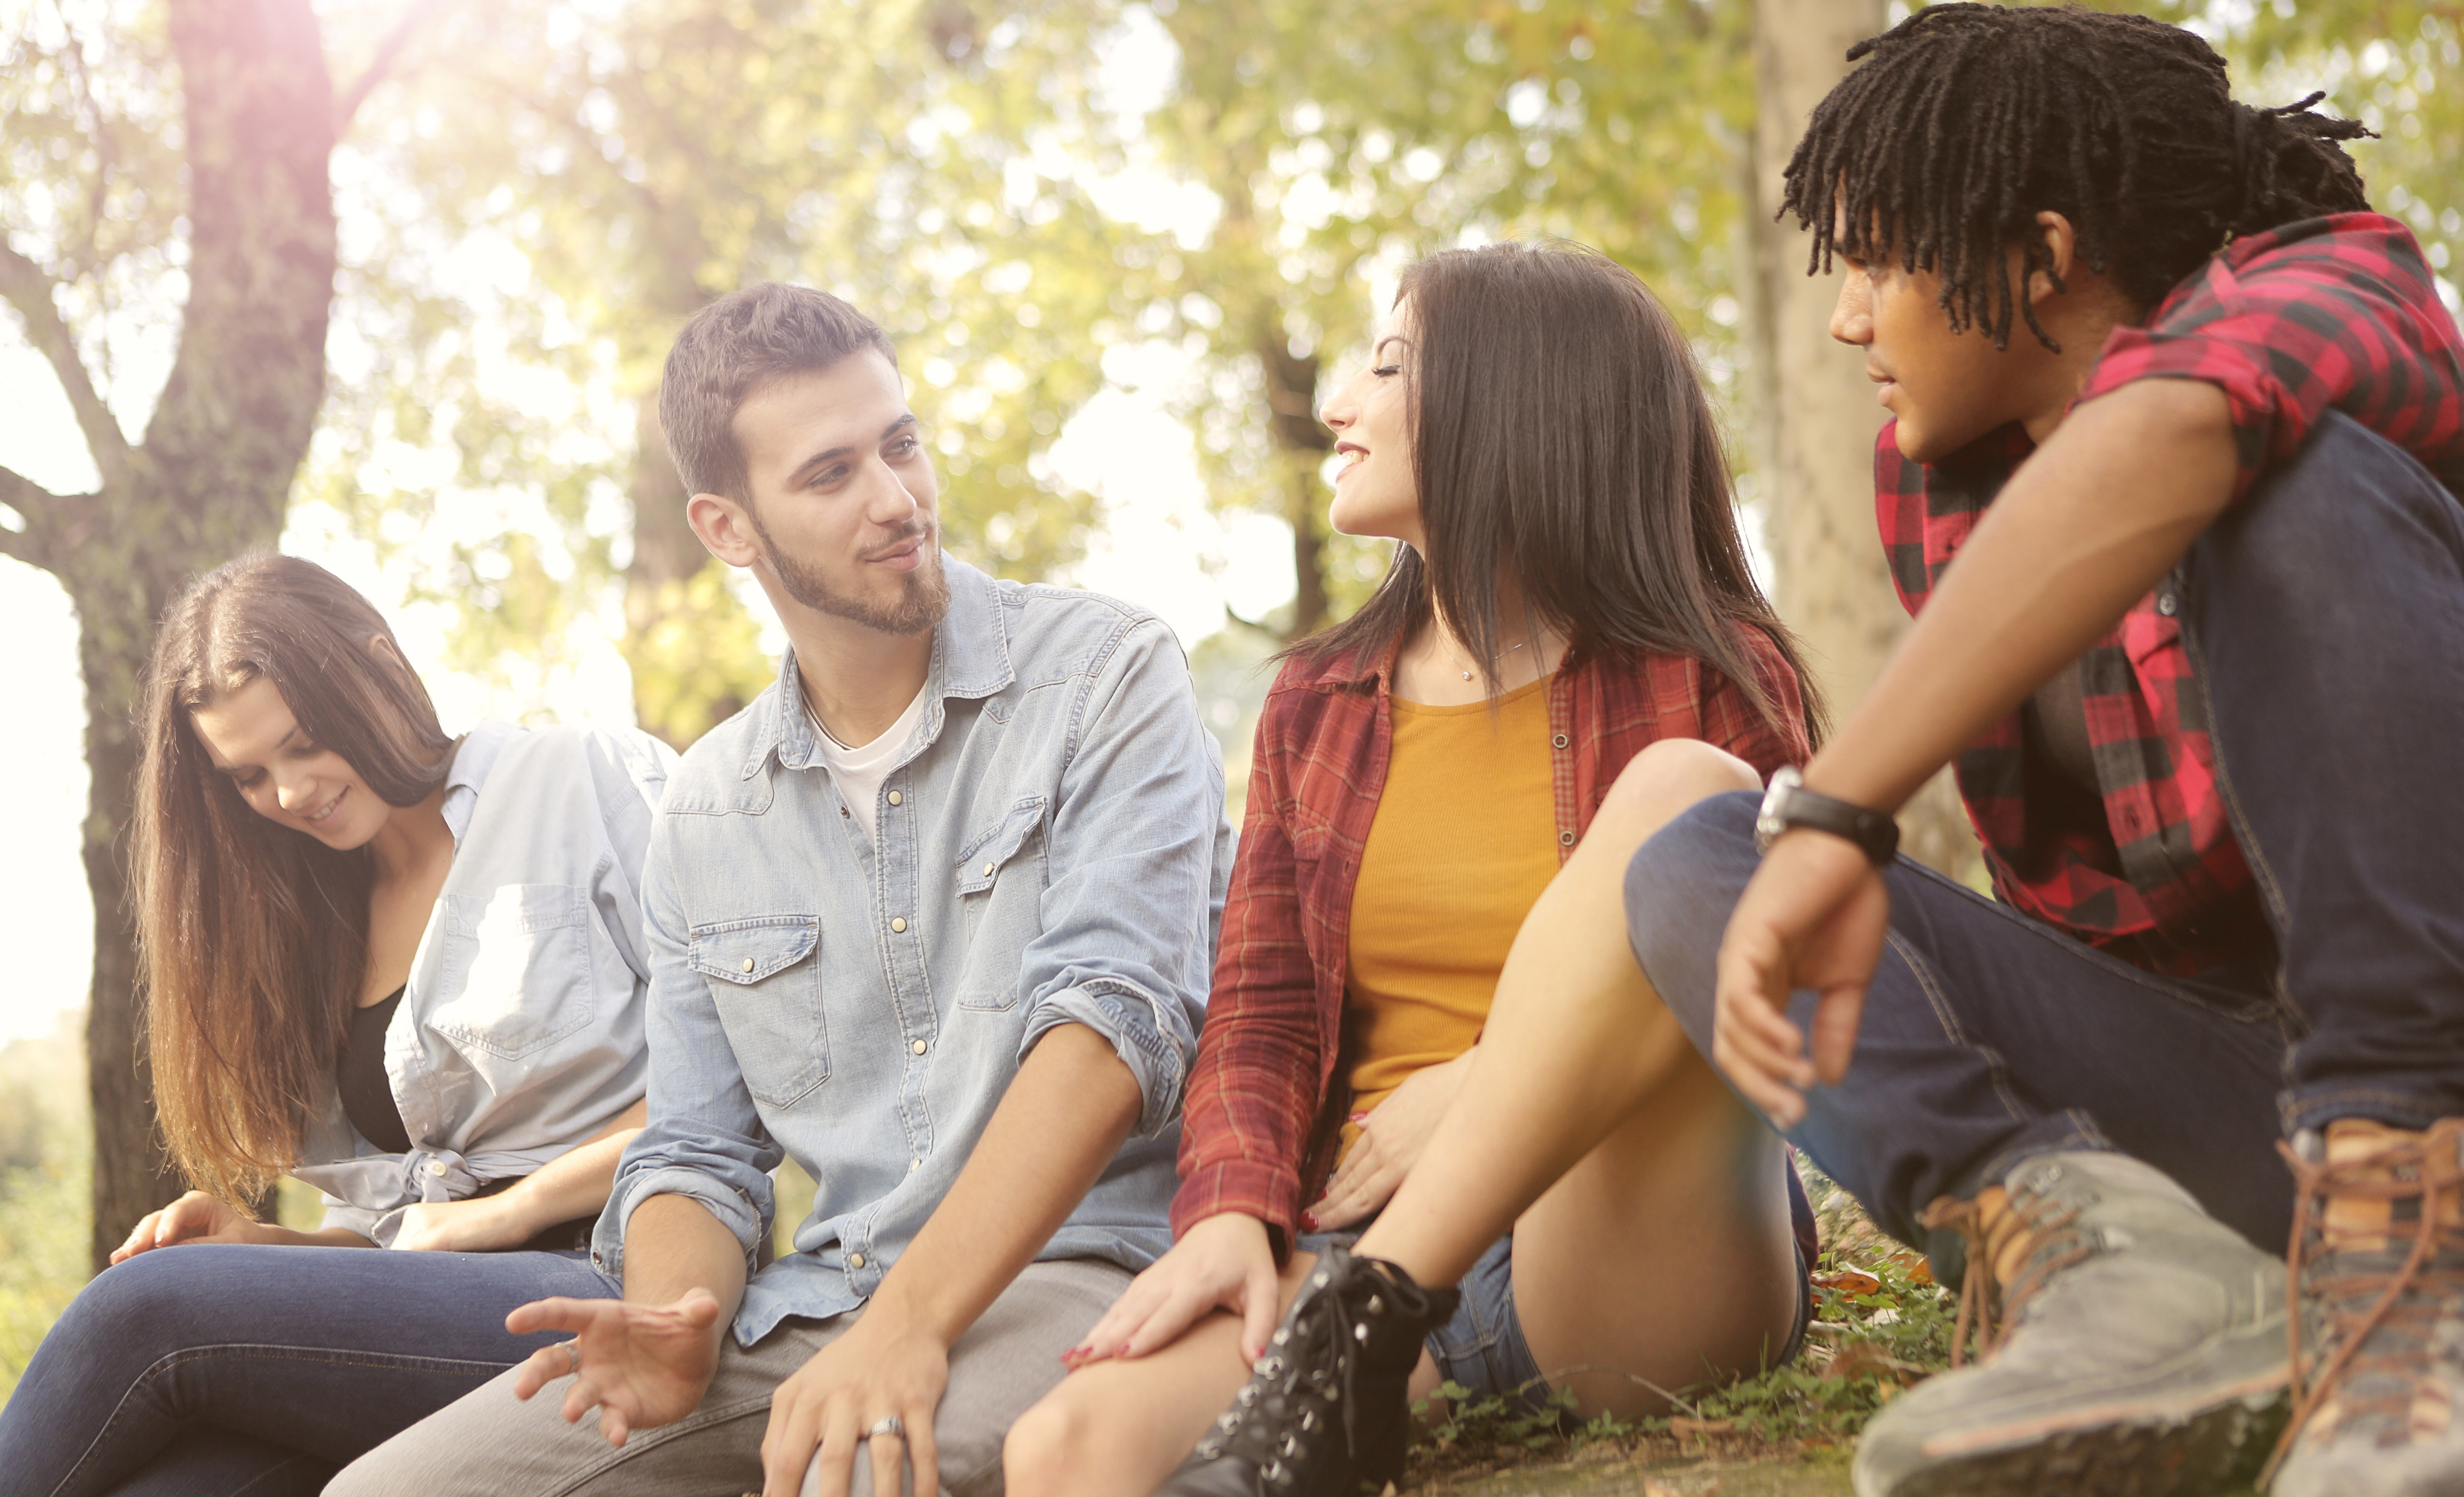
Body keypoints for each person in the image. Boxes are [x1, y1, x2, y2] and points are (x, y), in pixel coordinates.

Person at [1113, 8, 2464, 1497]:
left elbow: (2180, 425)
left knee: (2306, 491)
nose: (1849, 316)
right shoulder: (1941, 472)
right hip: (2227, 1103)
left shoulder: (2343, 286)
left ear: (2044, 255)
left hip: (2421, 1077)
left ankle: (2415, 1261)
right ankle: (2108, 1260)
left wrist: (1839, 806)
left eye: (1880, 262)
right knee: (1705, 854)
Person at [324, 281, 1233, 1497]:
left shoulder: (1104, 677)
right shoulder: (707, 809)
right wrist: (675, 1310)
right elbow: (695, 1150)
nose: (897, 500)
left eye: (900, 445)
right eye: (831, 474)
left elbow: (1111, 1030)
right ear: (728, 527)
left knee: (849, 1472)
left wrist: (907, 1330)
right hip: (822, 1306)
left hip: (1081, 1263)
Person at [1000, 241, 1827, 1497]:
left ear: (1517, 403)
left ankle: (1378, 1316)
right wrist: (1231, 1211)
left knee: (1688, 805)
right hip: (1365, 1256)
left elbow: (1801, 965)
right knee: (1061, 1447)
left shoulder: (1710, 673)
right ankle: (1364, 1346)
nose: (1340, 406)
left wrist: (1491, 1081)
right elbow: (1264, 1006)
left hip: (1621, 1234)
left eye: (1389, 368)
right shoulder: (1318, 700)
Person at [0, 553, 673, 1497]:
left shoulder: (580, 780)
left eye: (305, 739)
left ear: (381, 667)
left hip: (619, 1280)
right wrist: (265, 1255)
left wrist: (501, 1215)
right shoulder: (317, 914)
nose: (290, 791)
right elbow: (401, 1232)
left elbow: (745, 1079)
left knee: (141, 1311)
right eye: (248, 776)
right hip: (440, 1321)